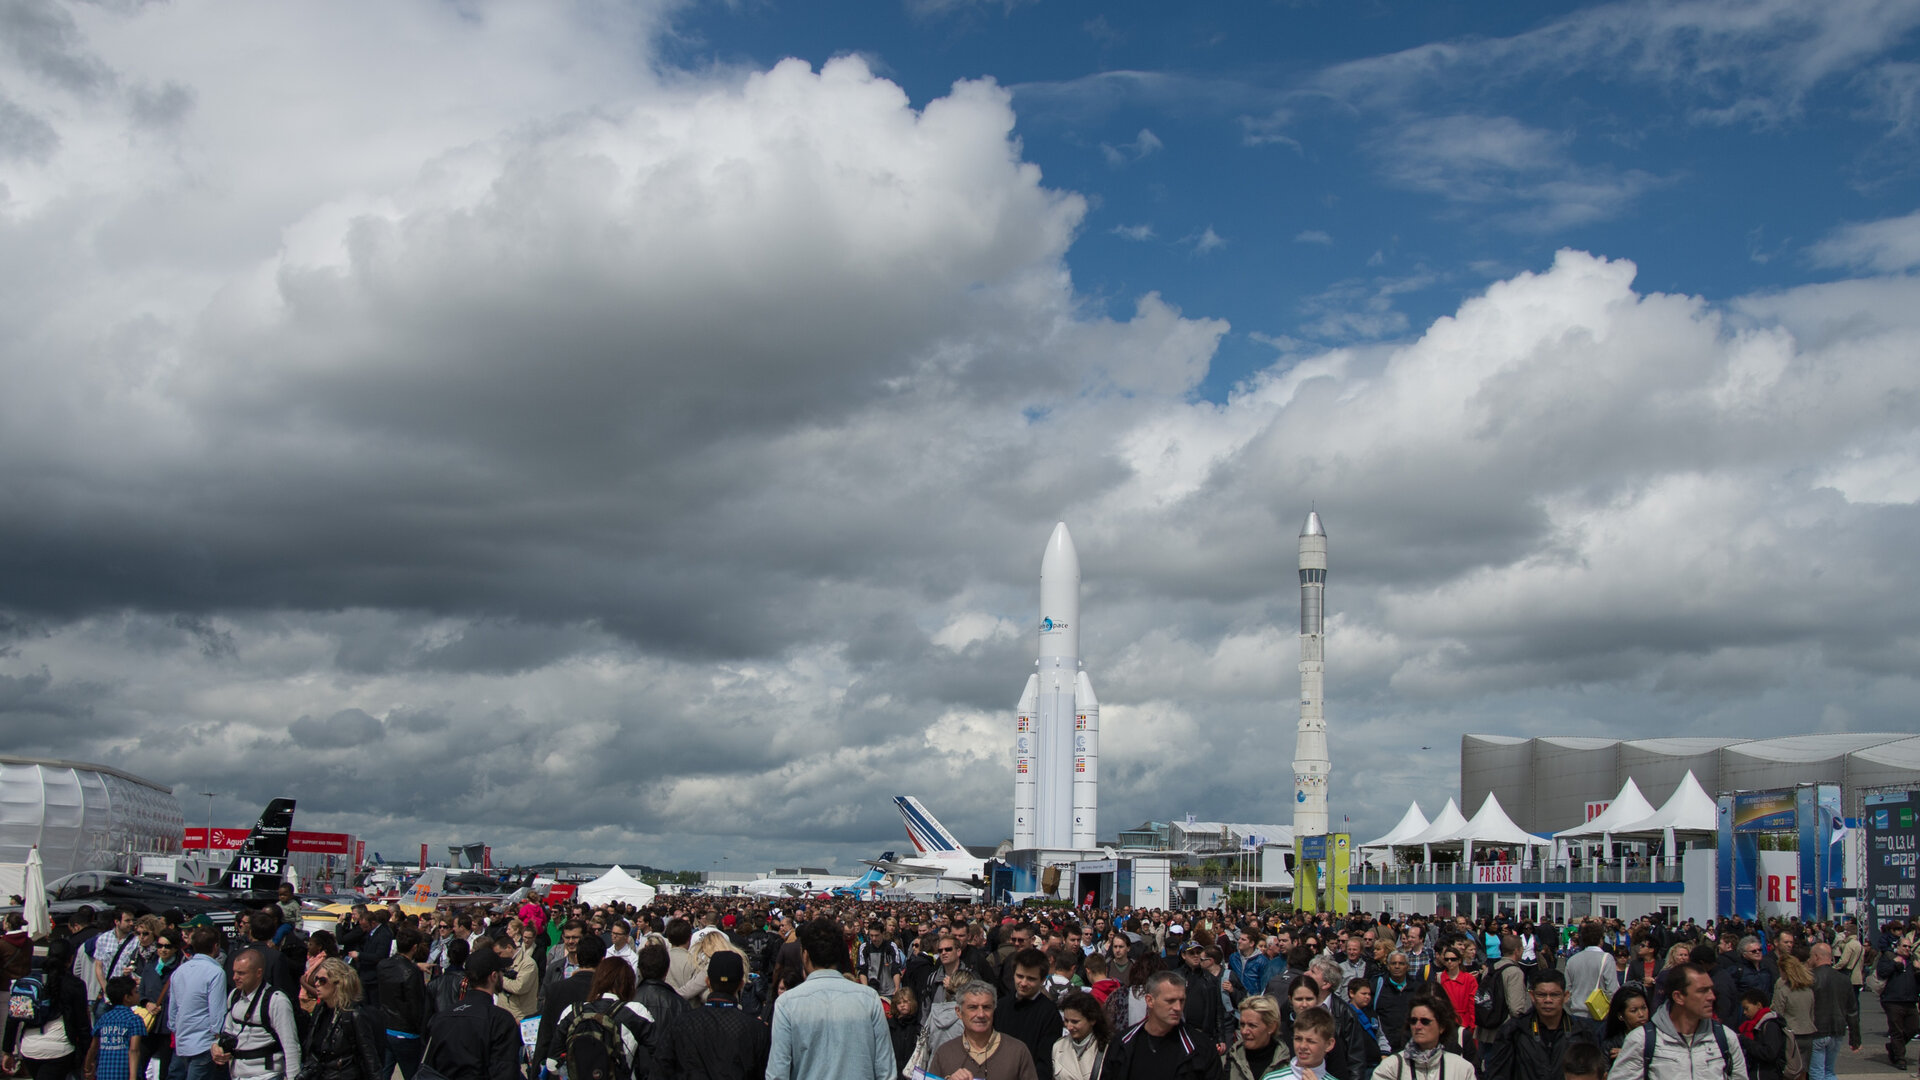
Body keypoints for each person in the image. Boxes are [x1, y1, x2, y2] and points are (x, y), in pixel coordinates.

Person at [766, 918, 893, 1080]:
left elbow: (777, 1071)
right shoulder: (868, 999)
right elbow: (885, 1069)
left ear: (805, 955)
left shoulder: (787, 1003)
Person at [1610, 964, 1745, 1080]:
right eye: (1702, 991)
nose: (1712, 997)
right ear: (1678, 997)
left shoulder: (1725, 1038)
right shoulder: (1642, 1040)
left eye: (1711, 989)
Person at [658, 950, 767, 1080]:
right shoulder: (756, 1030)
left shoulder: (681, 1024)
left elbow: (661, 1069)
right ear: (741, 984)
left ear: (708, 982)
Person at [1099, 969, 1225, 1079]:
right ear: (1150, 1000)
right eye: (1170, 1001)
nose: (1177, 1007)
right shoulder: (1123, 1044)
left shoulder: (1201, 1048)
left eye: (1181, 1001)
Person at [546, 953, 653, 1080]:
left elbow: (551, 1064)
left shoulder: (572, 1011)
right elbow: (657, 1059)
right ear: (627, 983)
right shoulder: (636, 1012)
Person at [420, 949, 522, 1080]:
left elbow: (431, 1068)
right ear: (494, 976)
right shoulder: (500, 1020)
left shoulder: (442, 1017)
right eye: (502, 973)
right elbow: (506, 1072)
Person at [3, 938, 93, 1080]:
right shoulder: (75, 984)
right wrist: (86, 1055)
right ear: (70, 959)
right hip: (60, 1050)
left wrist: (7, 1051)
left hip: (29, 1048)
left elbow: (13, 1019)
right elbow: (82, 1024)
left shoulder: (29, 983)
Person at [1483, 971, 1599, 1080]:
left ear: (1566, 996)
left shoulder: (1582, 1031)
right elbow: (1498, 1074)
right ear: (1532, 996)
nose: (1548, 1000)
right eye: (1542, 995)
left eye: (1554, 995)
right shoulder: (1514, 1031)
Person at [213, 948, 302, 1080]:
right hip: (237, 1074)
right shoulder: (234, 996)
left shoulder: (276, 1000)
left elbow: (291, 1046)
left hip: (266, 1075)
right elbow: (227, 1032)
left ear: (258, 973)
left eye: (241, 973)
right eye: (234, 972)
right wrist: (216, 1047)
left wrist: (293, 1077)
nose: (234, 977)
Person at [929, 981, 1040, 1080]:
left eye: (986, 1007)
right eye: (973, 1007)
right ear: (959, 1012)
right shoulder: (944, 1053)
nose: (981, 1014)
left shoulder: (1017, 1051)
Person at [297, 958, 385, 1080]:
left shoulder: (354, 1015)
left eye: (322, 980)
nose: (316, 983)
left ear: (338, 983)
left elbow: (370, 1059)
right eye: (316, 979)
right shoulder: (320, 1010)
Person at [534, 931, 605, 1070]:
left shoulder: (555, 989)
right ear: (602, 960)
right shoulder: (606, 992)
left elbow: (545, 1035)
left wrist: (537, 1069)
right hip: (596, 1066)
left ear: (577, 958)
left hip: (560, 1063)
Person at [166, 927, 230, 1080]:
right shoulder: (216, 972)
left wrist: (176, 1029)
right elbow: (217, 1010)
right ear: (215, 946)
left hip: (182, 1040)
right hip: (204, 1042)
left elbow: (173, 1008)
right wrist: (217, 1038)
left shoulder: (180, 971)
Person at [997, 947, 1063, 1080]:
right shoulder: (1000, 1006)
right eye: (1020, 976)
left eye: (1031, 979)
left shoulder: (1049, 1013)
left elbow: (1045, 1061)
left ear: (1043, 980)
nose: (1023, 983)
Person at [1369, 996, 1474, 1080]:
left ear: (1441, 1027)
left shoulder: (1461, 1068)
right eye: (1413, 1021)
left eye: (1425, 1021)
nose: (1418, 1026)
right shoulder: (1391, 1067)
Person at [377, 926, 431, 1080]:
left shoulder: (383, 965)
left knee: (383, 1072)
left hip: (386, 1027)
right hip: (406, 1031)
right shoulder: (411, 973)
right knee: (412, 1074)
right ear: (414, 948)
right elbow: (415, 1005)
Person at [1804, 943, 1857, 1080]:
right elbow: (1852, 1010)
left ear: (1816, 957)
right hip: (1837, 1029)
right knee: (1829, 1071)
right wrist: (1855, 1037)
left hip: (1817, 1030)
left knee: (1816, 1071)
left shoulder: (1810, 978)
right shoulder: (1844, 979)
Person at [86, 975, 147, 1080]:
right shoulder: (135, 1020)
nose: (138, 994)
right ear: (127, 998)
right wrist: (133, 1077)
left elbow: (93, 1047)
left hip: (104, 1074)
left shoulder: (104, 1019)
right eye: (136, 992)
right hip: (124, 1073)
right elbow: (134, 1050)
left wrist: (87, 1067)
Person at [1562, 926, 1616, 1039]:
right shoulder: (1607, 958)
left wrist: (1572, 1005)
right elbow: (1612, 990)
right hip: (1599, 1014)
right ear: (1601, 940)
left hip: (1576, 1012)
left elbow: (1567, 991)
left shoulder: (1572, 960)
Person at [1766, 951, 1813, 1080]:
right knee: (1803, 1071)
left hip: (1791, 1035)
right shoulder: (1808, 990)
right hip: (1808, 1034)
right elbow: (1811, 1013)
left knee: (1790, 1071)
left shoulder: (1784, 990)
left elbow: (1778, 1014)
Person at [1261, 1004, 1337, 1080]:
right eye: (1298, 1039)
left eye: (1311, 1041)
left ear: (1329, 1044)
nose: (1302, 1046)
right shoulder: (1272, 1078)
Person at [1874, 934, 1916, 1069]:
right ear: (1898, 947)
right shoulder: (1889, 957)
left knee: (1914, 1027)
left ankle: (1893, 1047)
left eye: (1910, 947)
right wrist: (1894, 964)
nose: (1907, 949)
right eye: (1905, 946)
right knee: (1896, 1030)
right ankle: (1900, 1058)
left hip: (1910, 1000)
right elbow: (1881, 973)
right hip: (1893, 1000)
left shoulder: (1913, 960)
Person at [1225, 996, 1286, 1080]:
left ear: (1271, 1027)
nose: (1244, 1031)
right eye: (1242, 1025)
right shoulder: (1228, 1062)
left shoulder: (1289, 1064)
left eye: (1252, 1025)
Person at [1055, 991, 1112, 1080]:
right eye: (1066, 1020)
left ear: (1092, 1020)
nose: (1069, 1027)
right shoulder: (1058, 1047)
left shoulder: (1108, 1049)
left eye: (1075, 1022)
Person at [1735, 989, 1787, 1080]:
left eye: (1746, 1008)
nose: (1744, 1013)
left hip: (1768, 1074)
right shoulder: (1754, 1025)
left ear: (1758, 1005)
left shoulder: (1770, 1025)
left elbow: (1769, 1053)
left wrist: (1746, 1041)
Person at [1600, 986, 1650, 1061]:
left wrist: (1629, 1054)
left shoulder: (1657, 1037)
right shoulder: (1611, 1045)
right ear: (1620, 1015)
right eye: (1634, 1010)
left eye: (1644, 1008)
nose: (1641, 1014)